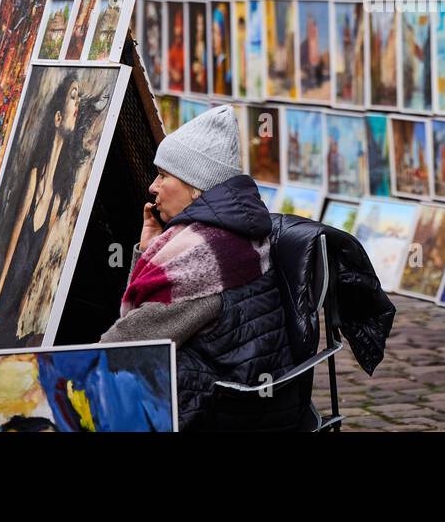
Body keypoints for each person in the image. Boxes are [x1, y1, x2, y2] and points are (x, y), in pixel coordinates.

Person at [101, 105, 302, 430]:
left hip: (215, 411)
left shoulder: (198, 260)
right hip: (252, 399)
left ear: (196, 187)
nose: (153, 187)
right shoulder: (236, 233)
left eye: (164, 175)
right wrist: (151, 247)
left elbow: (121, 347)